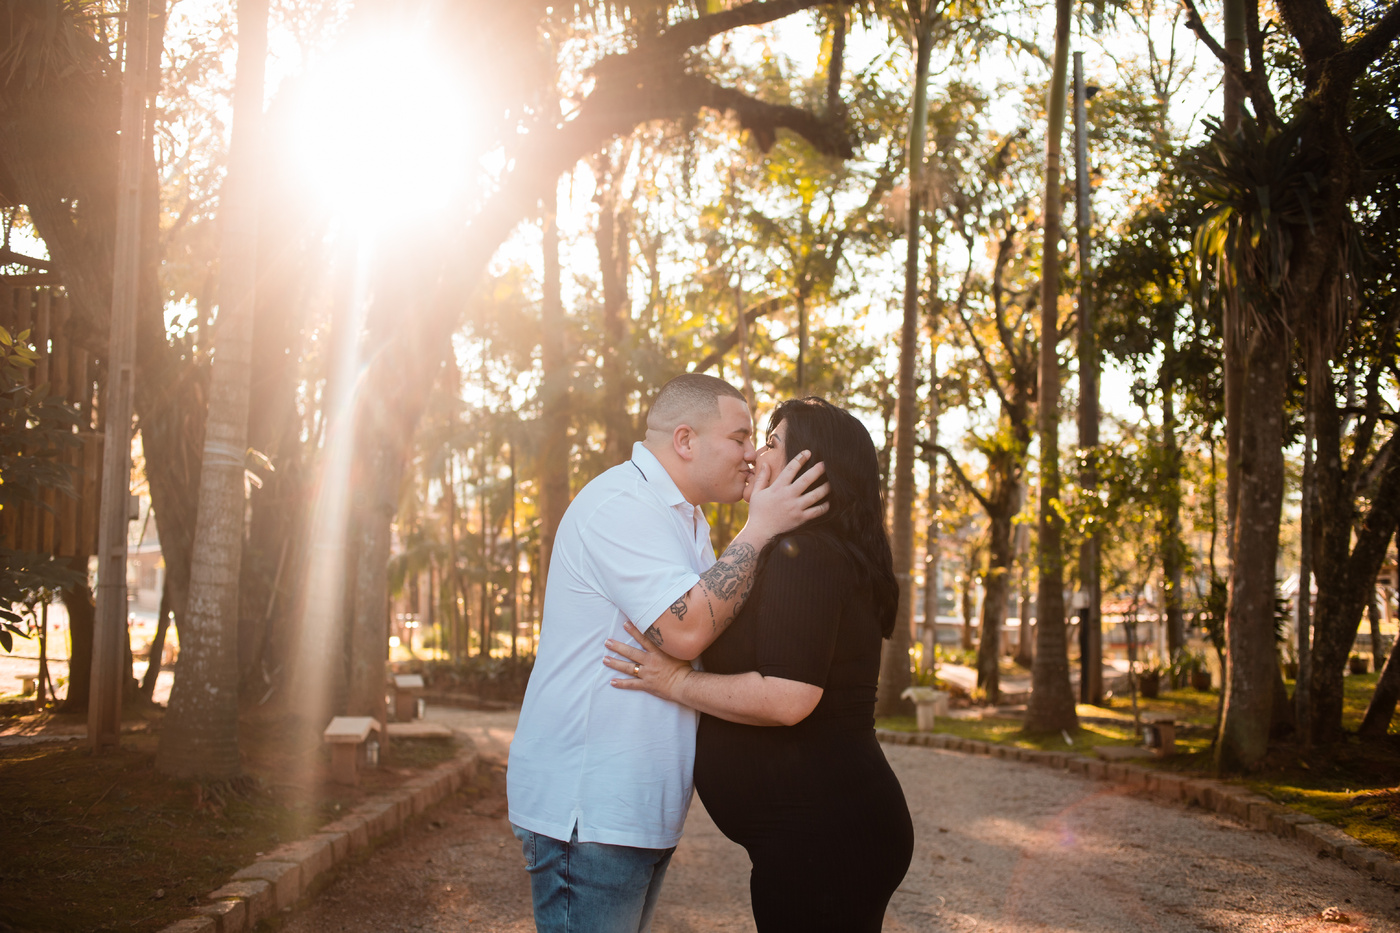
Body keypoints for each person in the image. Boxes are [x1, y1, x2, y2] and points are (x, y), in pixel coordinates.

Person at [506, 373, 829, 933]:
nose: (751, 455)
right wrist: (759, 529)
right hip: (591, 811)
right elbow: (684, 632)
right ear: (685, 440)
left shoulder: (683, 518)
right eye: (739, 437)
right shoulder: (622, 505)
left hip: (632, 811)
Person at [604, 397, 914, 933]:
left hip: (826, 840)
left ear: (808, 469)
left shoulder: (810, 555)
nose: (753, 455)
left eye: (770, 443)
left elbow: (788, 697)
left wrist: (676, 682)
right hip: (818, 838)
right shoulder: (806, 552)